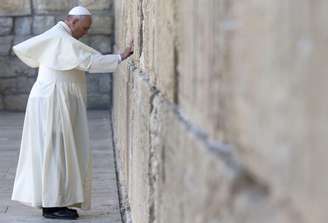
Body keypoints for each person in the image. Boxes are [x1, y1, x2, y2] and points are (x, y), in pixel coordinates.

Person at [10, 6, 133, 220]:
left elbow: (83, 57)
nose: (85, 33)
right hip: (54, 102)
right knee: (55, 151)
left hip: (52, 100)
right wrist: (119, 57)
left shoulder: (61, 37)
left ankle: (56, 202)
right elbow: (89, 61)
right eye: (84, 28)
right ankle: (51, 206)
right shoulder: (61, 39)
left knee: (56, 151)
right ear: (72, 21)